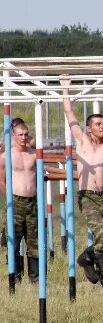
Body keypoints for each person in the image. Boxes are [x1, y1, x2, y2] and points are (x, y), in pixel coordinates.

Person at [60, 74, 103, 294]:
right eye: (98, 124)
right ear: (89, 128)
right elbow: (70, 114)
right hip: (88, 196)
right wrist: (66, 89)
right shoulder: (82, 142)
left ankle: (86, 257)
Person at [0, 119, 38, 282]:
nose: (23, 137)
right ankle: (15, 277)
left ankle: (35, 278)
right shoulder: (6, 156)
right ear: (13, 136)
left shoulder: (33, 154)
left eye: (26, 135)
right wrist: (9, 199)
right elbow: (1, 180)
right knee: (14, 241)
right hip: (15, 200)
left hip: (32, 202)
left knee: (34, 240)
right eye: (20, 135)